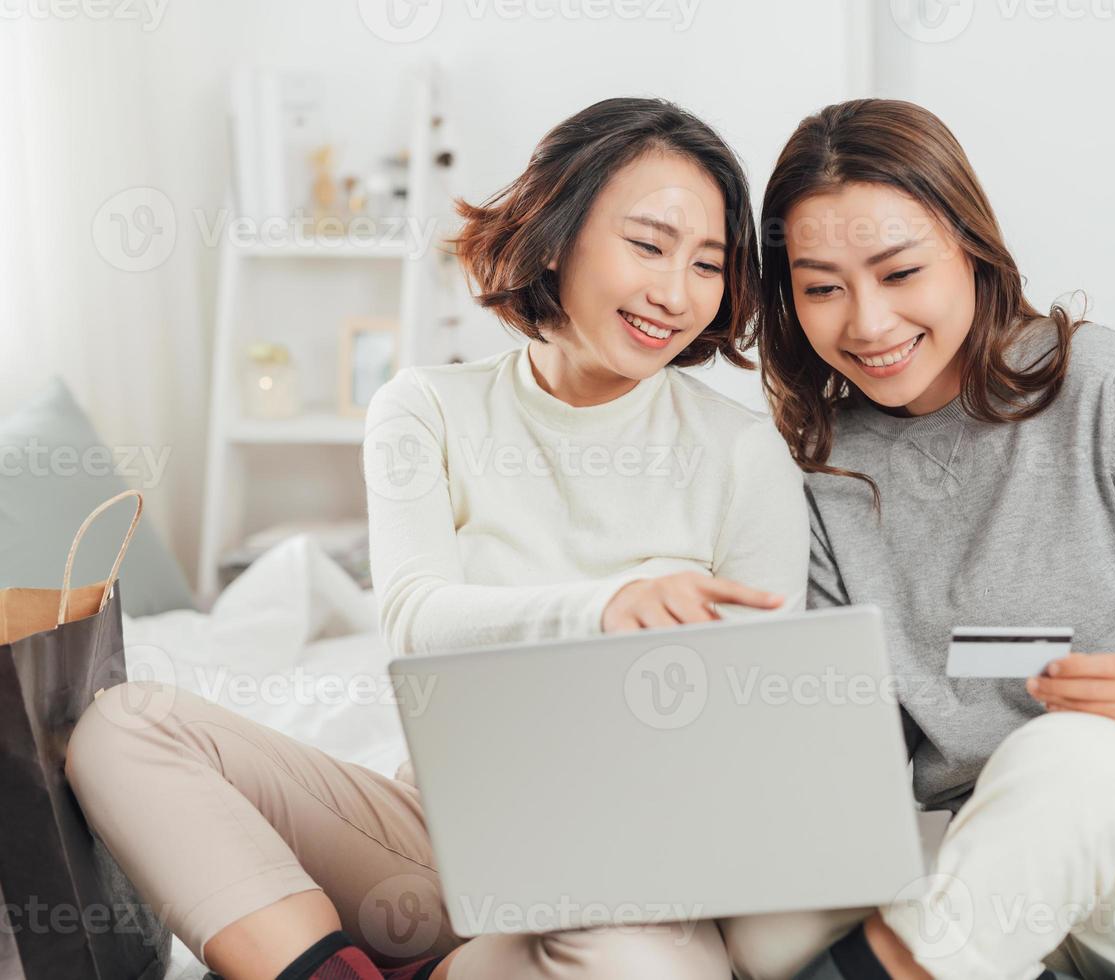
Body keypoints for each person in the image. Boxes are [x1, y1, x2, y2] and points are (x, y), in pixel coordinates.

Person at [65, 97, 807, 980]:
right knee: (124, 725)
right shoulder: (426, 409)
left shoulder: (740, 452)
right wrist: (607, 608)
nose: (675, 293)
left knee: (628, 959)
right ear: (557, 232)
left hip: (625, 874)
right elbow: (416, 619)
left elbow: (761, 727)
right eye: (648, 245)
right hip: (432, 844)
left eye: (709, 265)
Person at [720, 98, 1115, 980]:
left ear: (970, 248)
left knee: (1070, 755)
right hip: (982, 866)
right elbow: (860, 734)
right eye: (822, 287)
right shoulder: (822, 471)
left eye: (899, 271)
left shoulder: (1105, 385)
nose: (868, 323)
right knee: (762, 931)